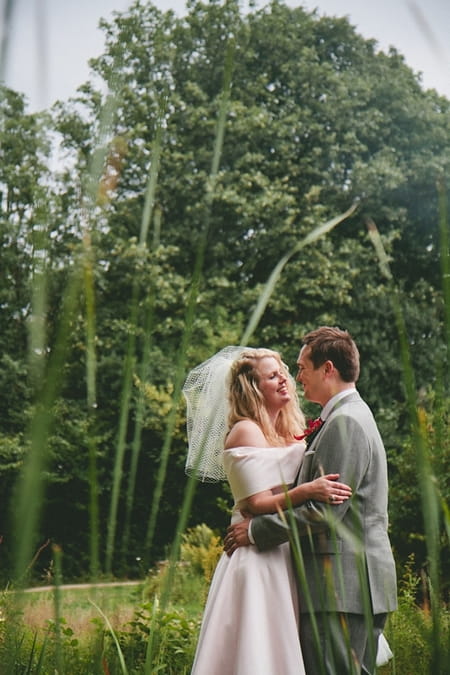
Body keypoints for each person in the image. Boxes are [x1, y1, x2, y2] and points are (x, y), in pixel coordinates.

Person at [224, 327, 397, 674]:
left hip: (343, 584)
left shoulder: (344, 422)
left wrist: (255, 532)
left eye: (302, 367)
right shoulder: (345, 416)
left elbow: (326, 512)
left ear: (328, 369)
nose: (296, 375)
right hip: (346, 583)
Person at [183, 346, 352, 675]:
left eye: (284, 373)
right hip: (258, 555)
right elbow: (256, 503)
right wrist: (309, 490)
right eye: (272, 376)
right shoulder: (246, 430)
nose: (284, 380)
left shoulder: (288, 429)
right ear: (252, 387)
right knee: (259, 649)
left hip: (285, 548)